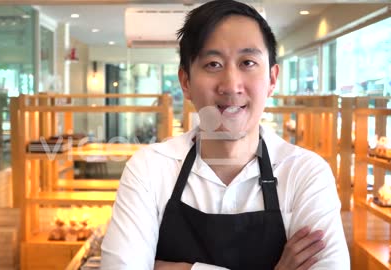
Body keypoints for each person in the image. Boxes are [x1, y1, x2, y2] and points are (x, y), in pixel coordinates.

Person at [101, 0, 350, 269]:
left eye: (248, 62)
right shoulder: (149, 168)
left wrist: (185, 268)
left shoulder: (305, 174)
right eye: (213, 64)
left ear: (272, 79)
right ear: (186, 82)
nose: (231, 85)